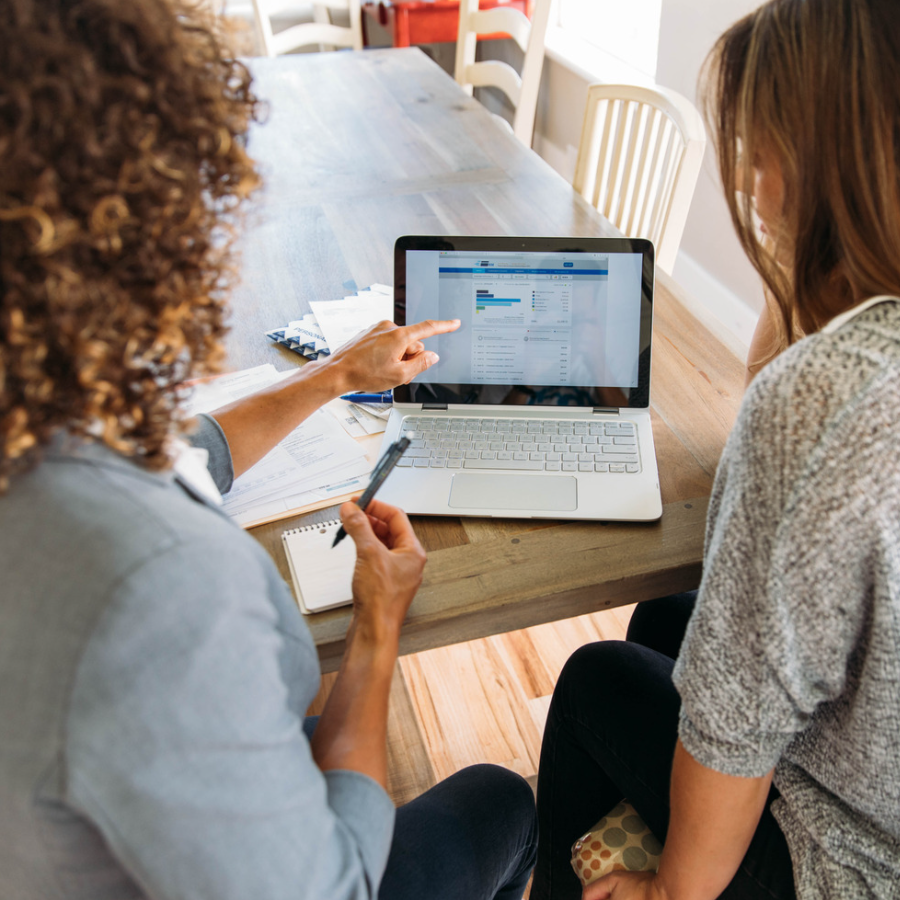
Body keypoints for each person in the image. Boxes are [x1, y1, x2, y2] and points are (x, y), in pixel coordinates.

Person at [0, 2, 537, 899]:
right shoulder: (159, 587)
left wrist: (336, 375)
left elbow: (186, 450)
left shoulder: (43, 422)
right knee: (503, 801)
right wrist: (375, 630)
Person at [531, 0, 900, 898]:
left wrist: (670, 895)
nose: (745, 177)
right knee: (670, 616)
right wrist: (809, 263)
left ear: (817, 163)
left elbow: (733, 726)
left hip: (856, 862)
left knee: (592, 678)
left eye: (760, 148)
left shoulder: (824, 400)